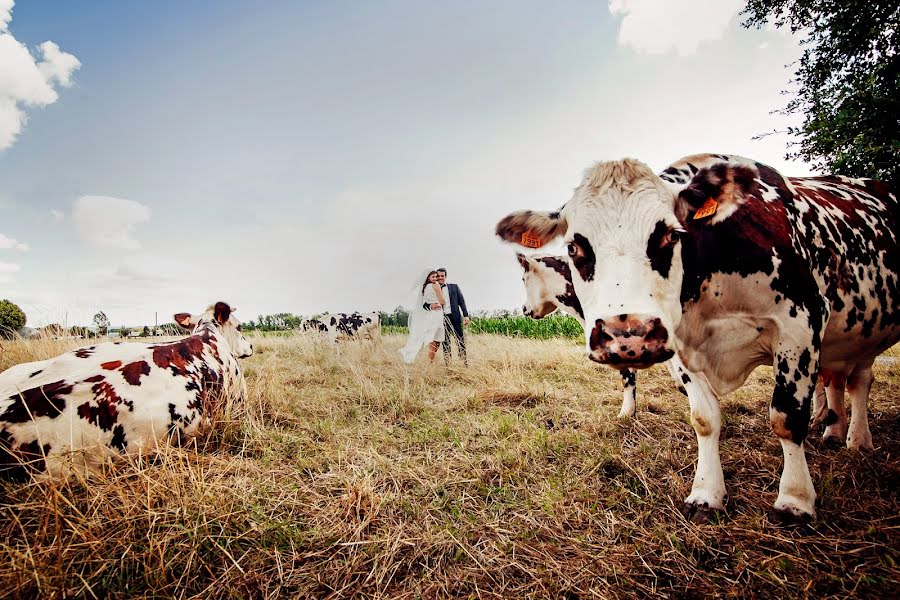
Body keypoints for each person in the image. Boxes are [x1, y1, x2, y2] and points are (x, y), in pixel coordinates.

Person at [399, 270, 447, 364]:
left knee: (432, 338)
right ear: (428, 278)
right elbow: (441, 302)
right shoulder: (435, 285)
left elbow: (425, 302)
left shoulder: (425, 287)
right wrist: (433, 305)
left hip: (433, 315)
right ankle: (429, 361)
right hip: (436, 314)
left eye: (437, 276)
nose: (437, 278)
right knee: (435, 339)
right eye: (434, 277)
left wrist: (431, 304)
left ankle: (416, 354)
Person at [435, 268, 469, 366]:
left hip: (456, 317)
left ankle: (464, 363)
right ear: (436, 277)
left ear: (445, 276)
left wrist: (466, 316)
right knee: (445, 343)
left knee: (460, 340)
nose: (440, 278)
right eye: (438, 276)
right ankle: (448, 365)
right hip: (442, 319)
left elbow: (461, 301)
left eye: (442, 276)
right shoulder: (433, 289)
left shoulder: (454, 287)